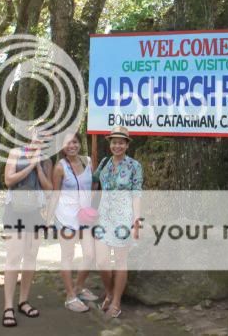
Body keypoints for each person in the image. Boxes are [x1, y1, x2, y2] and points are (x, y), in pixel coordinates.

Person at [2, 135, 52, 328]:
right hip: (15, 210)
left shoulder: (47, 161)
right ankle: (8, 306)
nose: (42, 140)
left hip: (36, 212)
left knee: (31, 256)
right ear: (32, 135)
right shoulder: (16, 153)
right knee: (14, 256)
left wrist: (38, 167)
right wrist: (30, 165)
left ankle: (23, 301)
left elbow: (49, 189)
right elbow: (8, 180)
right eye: (40, 135)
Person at [94, 126, 143, 319]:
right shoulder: (105, 163)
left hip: (124, 217)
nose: (117, 146)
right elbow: (93, 181)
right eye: (114, 142)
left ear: (127, 145)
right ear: (110, 144)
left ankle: (116, 301)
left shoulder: (134, 166)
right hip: (103, 216)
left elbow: (137, 194)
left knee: (121, 261)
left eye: (121, 142)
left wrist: (136, 220)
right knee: (102, 261)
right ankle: (109, 292)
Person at [46, 132, 98, 312]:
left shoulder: (88, 162)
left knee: (90, 255)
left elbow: (93, 184)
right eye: (67, 143)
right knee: (67, 256)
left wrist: (88, 203)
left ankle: (78, 288)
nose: (71, 146)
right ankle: (70, 297)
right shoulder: (60, 167)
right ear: (63, 146)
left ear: (79, 144)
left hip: (84, 217)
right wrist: (48, 220)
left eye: (74, 142)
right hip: (65, 217)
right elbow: (55, 194)